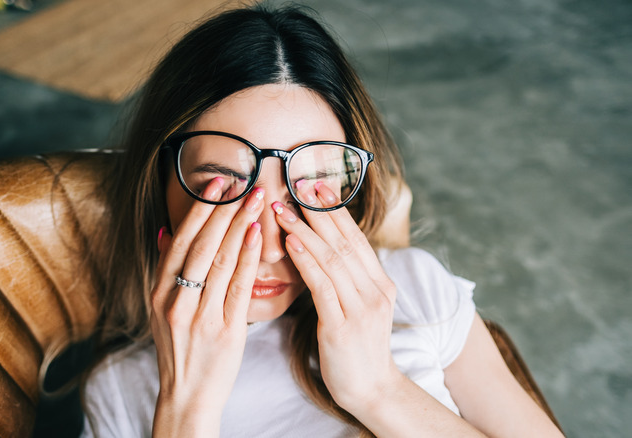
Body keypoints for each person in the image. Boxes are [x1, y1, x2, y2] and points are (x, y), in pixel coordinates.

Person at [80, 4, 564, 437]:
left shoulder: (414, 289)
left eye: (310, 187)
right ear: (158, 185)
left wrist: (378, 390)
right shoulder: (121, 392)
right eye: (223, 188)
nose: (270, 248)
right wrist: (186, 410)